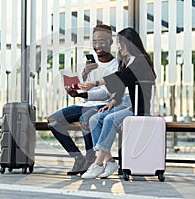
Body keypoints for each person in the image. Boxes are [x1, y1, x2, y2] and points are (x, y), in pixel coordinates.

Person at [79, 27, 157, 179]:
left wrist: (95, 82)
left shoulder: (142, 60)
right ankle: (110, 161)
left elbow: (122, 77)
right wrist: (113, 102)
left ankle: (98, 163)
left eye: (121, 43)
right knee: (94, 119)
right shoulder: (127, 61)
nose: (119, 46)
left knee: (110, 119)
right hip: (124, 103)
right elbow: (122, 84)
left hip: (137, 106)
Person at [47, 24, 118, 175]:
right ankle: (78, 158)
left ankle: (90, 158)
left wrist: (83, 94)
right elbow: (84, 86)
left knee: (86, 119)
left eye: (102, 41)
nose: (98, 45)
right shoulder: (89, 63)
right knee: (53, 120)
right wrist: (82, 78)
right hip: (85, 103)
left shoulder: (115, 66)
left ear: (111, 42)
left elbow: (105, 94)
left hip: (102, 105)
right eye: (95, 41)